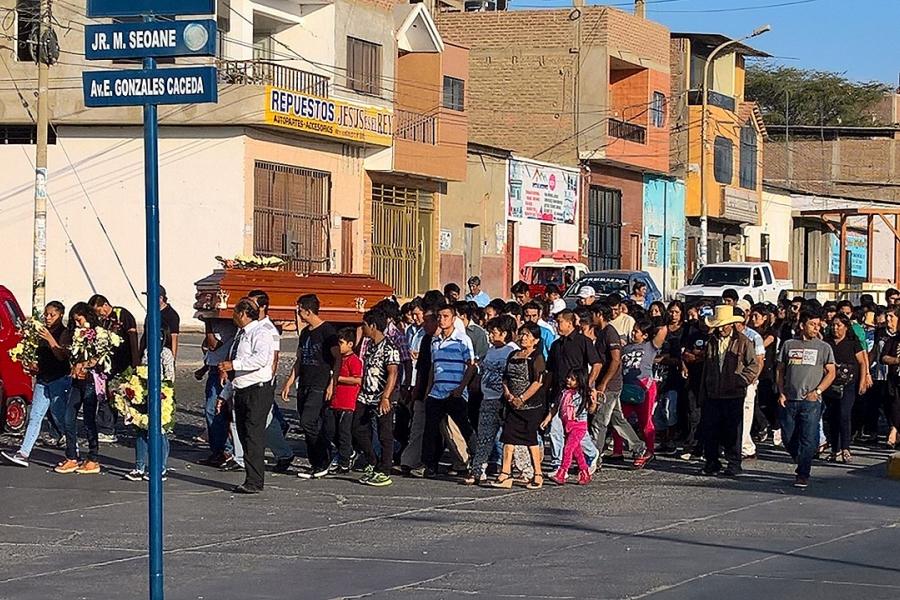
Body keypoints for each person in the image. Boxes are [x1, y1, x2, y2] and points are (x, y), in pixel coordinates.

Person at [218, 298, 276, 494]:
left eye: (235, 312)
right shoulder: (241, 335)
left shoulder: (262, 332)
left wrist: (234, 365)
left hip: (257, 390)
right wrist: (225, 393)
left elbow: (261, 359)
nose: (233, 316)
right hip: (241, 388)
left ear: (243, 313)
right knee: (243, 433)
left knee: (253, 435)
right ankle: (251, 475)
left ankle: (255, 480)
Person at [2, 301, 71, 468]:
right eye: (46, 314)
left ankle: (73, 451)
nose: (48, 318)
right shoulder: (39, 333)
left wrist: (49, 338)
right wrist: (33, 366)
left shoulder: (64, 333)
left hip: (59, 379)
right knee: (35, 416)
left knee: (59, 416)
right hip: (43, 379)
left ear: (60, 315)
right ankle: (23, 453)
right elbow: (39, 356)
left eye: (52, 315)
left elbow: (62, 356)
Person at [282, 294, 341, 480]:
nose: (298, 313)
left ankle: (323, 459)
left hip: (320, 383)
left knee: (309, 421)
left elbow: (337, 359)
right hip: (304, 383)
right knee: (308, 424)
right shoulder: (306, 333)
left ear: (308, 311)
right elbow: (300, 359)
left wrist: (333, 383)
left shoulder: (327, 332)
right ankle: (316, 463)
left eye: (299, 309)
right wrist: (290, 381)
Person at [698, 305, 760, 478]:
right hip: (712, 392)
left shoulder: (743, 341)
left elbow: (753, 365)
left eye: (724, 325)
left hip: (733, 393)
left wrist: (741, 380)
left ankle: (734, 463)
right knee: (711, 429)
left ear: (731, 324)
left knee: (733, 430)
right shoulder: (711, 341)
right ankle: (712, 462)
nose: (722, 328)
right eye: (719, 325)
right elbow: (707, 367)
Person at [777, 309, 836, 488]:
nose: (815, 328)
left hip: (811, 401)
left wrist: (817, 391)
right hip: (789, 399)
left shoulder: (824, 347)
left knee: (808, 437)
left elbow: (831, 372)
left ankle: (803, 473)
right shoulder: (789, 344)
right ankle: (801, 457)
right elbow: (780, 370)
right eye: (812, 324)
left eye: (818, 325)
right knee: (787, 436)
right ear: (802, 325)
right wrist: (780, 391)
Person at [422, 303, 477, 478]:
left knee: (464, 428)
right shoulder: (435, 341)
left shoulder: (463, 339)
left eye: (446, 316)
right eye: (439, 316)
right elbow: (433, 367)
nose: (442, 320)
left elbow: (471, 366)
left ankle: (476, 462)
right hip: (436, 392)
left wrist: (461, 388)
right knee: (430, 430)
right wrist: (428, 391)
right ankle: (430, 465)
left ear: (454, 319)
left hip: (455, 392)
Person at [492, 322, 546, 490]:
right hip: (511, 405)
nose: (524, 338)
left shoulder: (537, 357)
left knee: (530, 439)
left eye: (528, 335)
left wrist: (522, 398)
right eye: (522, 334)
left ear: (535, 340)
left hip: (531, 406)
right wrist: (508, 394)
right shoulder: (513, 354)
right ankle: (505, 473)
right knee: (508, 438)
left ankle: (537, 474)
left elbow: (538, 382)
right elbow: (505, 378)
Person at [590, 303, 647, 465]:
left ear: (599, 314)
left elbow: (616, 360)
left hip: (610, 385)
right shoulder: (601, 333)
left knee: (599, 422)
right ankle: (638, 447)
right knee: (617, 419)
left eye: (593, 314)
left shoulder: (610, 333)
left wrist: (603, 383)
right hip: (608, 384)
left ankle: (593, 458)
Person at [546, 310, 601, 472]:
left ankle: (591, 453)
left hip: (577, 395)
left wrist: (588, 385)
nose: (557, 325)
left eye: (560, 322)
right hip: (559, 393)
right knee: (555, 428)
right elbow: (550, 370)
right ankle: (558, 464)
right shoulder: (556, 345)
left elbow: (596, 364)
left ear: (569, 323)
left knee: (577, 430)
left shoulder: (583, 341)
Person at [467, 315, 518, 484]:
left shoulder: (512, 350)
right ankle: (477, 471)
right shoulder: (490, 350)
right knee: (484, 437)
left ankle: (521, 469)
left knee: (511, 438)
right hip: (487, 398)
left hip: (504, 401)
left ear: (504, 333)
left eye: (494, 332)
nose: (490, 335)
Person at [247, 290, 293, 474]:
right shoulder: (251, 326)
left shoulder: (268, 329)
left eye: (253, 303)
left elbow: (274, 358)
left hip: (261, 381)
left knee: (265, 420)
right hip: (248, 380)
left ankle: (284, 453)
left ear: (263, 306)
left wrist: (267, 382)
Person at [54, 303, 103, 475]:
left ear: (87, 317)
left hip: (90, 381)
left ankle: (93, 458)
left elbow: (100, 356)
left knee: (89, 420)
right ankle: (72, 456)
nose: (77, 324)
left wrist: (84, 365)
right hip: (76, 381)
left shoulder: (98, 334)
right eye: (74, 321)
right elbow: (70, 354)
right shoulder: (75, 334)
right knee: (69, 417)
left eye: (79, 319)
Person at [353, 309, 400, 487]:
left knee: (384, 434)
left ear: (373, 326)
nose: (362, 329)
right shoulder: (370, 346)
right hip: (366, 396)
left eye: (364, 325)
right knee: (357, 428)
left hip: (382, 397)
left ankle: (385, 469)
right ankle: (373, 460)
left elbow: (393, 373)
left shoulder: (390, 348)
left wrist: (386, 397)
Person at [125, 326, 175, 481]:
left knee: (160, 430)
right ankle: (139, 466)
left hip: (161, 394)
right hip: (144, 392)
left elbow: (170, 376)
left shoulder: (165, 353)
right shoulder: (147, 352)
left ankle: (160, 467)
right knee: (141, 429)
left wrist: (165, 393)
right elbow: (141, 370)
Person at [88, 294, 139, 443]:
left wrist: (135, 360)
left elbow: (132, 336)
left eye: (99, 311)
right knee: (107, 395)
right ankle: (106, 428)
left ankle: (137, 424)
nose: (99, 315)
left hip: (123, 362)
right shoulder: (101, 321)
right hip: (107, 364)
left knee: (126, 394)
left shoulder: (122, 314)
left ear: (105, 305)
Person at [617, 319, 667, 468]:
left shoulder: (650, 347)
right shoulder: (626, 348)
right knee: (619, 420)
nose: (633, 333)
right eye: (633, 330)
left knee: (645, 422)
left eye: (636, 331)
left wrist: (654, 321)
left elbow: (663, 331)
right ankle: (617, 451)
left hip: (645, 387)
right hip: (626, 387)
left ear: (645, 335)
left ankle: (649, 451)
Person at [823, 313, 869, 463]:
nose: (835, 328)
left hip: (849, 384)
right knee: (832, 416)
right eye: (833, 325)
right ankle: (834, 449)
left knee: (844, 414)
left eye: (839, 325)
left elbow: (862, 362)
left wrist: (863, 380)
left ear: (846, 327)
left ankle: (845, 448)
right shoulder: (827, 342)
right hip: (831, 384)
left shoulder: (852, 342)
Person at [197, 316, 238, 469]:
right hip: (214, 368)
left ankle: (225, 450)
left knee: (215, 410)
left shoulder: (226, 325)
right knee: (213, 410)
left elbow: (213, 345)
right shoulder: (218, 322)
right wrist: (204, 368)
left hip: (222, 370)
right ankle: (218, 450)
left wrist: (207, 324)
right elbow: (210, 351)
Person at [323, 328, 361, 474]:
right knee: (331, 431)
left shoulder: (354, 360)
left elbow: (358, 379)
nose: (339, 346)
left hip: (347, 403)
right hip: (335, 401)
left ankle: (344, 462)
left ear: (350, 344)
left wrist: (338, 378)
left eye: (341, 343)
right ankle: (348, 452)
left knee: (344, 433)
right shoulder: (338, 359)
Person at [549, 369, 595, 485]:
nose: (568, 380)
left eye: (572, 379)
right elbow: (557, 408)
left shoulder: (583, 394)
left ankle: (562, 472)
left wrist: (594, 402)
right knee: (577, 452)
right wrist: (547, 419)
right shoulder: (564, 392)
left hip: (579, 426)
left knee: (568, 449)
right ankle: (585, 472)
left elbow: (590, 410)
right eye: (568, 377)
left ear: (580, 381)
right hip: (568, 425)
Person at [733, 307, 766, 460]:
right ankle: (743, 445)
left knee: (746, 414)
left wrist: (752, 380)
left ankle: (744, 447)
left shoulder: (754, 337)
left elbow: (759, 361)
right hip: (730, 380)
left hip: (747, 380)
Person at [878, 307, 900, 449]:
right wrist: (897, 360)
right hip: (896, 379)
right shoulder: (894, 339)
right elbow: (883, 357)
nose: (888, 320)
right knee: (895, 407)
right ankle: (895, 429)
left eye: (892, 317)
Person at [139, 286, 180, 359]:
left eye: (151, 297)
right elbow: (145, 334)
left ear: (161, 298)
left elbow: (174, 337)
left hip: (164, 353)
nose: (149, 300)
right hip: (147, 352)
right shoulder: (151, 313)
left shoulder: (171, 315)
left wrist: (173, 358)